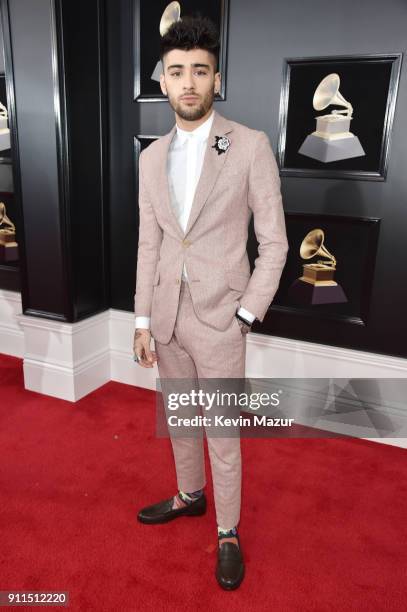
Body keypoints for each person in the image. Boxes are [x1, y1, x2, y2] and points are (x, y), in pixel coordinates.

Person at [133, 15, 289, 590]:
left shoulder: (249, 146)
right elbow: (150, 241)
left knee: (222, 433)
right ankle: (189, 495)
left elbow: (274, 242)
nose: (189, 82)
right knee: (179, 421)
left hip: (223, 320)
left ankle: (227, 530)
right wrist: (143, 320)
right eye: (177, 72)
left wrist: (247, 313)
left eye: (200, 70)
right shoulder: (150, 159)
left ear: (215, 78)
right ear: (164, 82)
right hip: (168, 319)